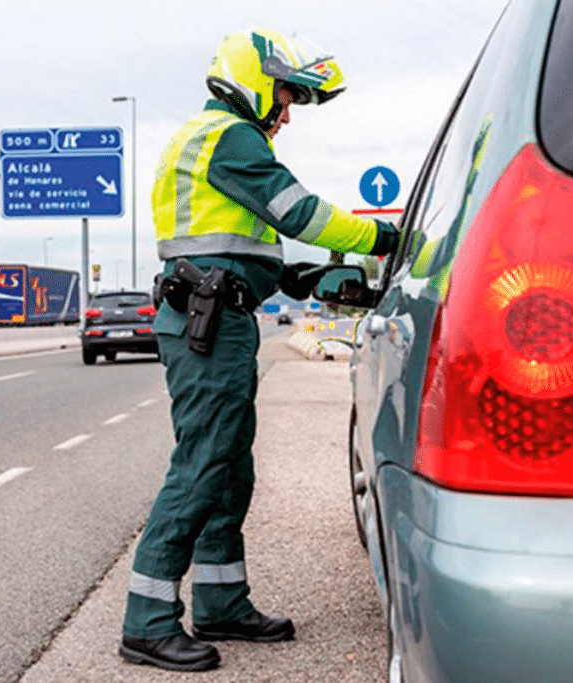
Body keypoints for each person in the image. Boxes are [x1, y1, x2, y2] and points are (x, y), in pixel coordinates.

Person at [119, 27, 399, 672]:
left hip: (212, 312)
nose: (288, 110)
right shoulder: (231, 137)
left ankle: (221, 602)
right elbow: (299, 212)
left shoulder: (210, 140)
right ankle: (147, 619)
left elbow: (238, 246)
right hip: (209, 322)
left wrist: (296, 276)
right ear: (253, 79)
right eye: (284, 94)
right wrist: (386, 236)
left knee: (227, 466)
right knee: (202, 463)